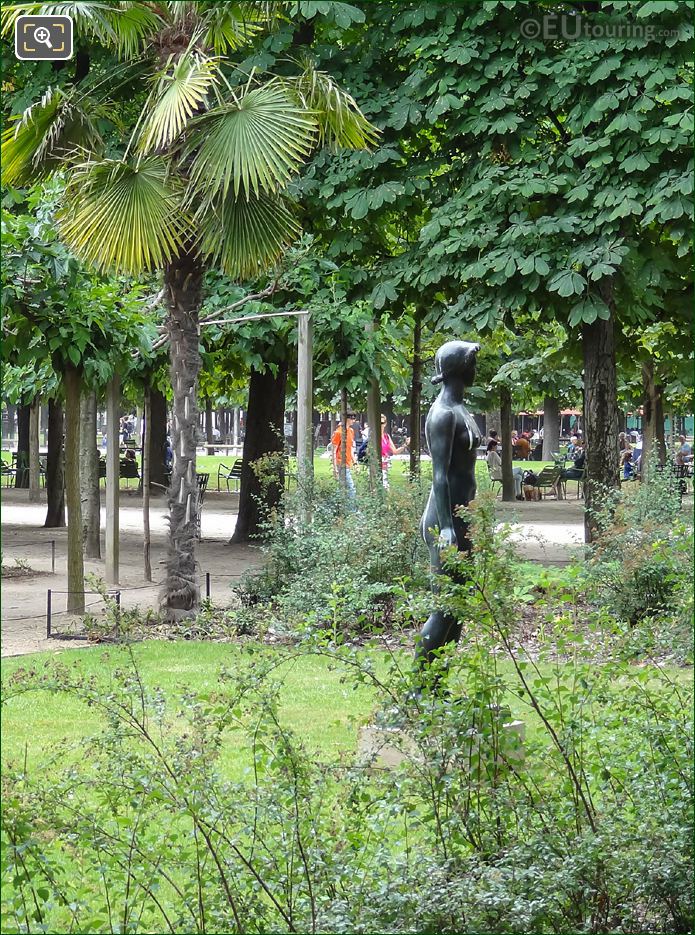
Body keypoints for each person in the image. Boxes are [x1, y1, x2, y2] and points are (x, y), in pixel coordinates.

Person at [415, 339, 482, 674]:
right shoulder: (441, 415)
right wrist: (446, 527)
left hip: (460, 516)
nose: (476, 368)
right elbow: (439, 476)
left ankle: (436, 688)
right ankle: (417, 688)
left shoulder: (460, 410)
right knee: (444, 608)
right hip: (445, 521)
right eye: (472, 362)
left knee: (458, 609)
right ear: (460, 368)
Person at [331, 414, 357, 502]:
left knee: (342, 487)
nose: (354, 420)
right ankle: (353, 511)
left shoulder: (351, 431)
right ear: (347, 419)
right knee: (351, 488)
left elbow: (350, 449)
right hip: (341, 463)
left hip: (348, 463)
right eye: (352, 418)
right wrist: (335, 468)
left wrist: (355, 462)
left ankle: (339, 507)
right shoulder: (339, 432)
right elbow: (334, 451)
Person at [380, 414, 409, 488]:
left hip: (385, 466)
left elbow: (395, 452)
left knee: (385, 486)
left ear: (385, 424)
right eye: (379, 423)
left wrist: (405, 445)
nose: (380, 425)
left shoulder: (386, 436)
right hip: (376, 466)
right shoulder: (372, 435)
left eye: (382, 423)